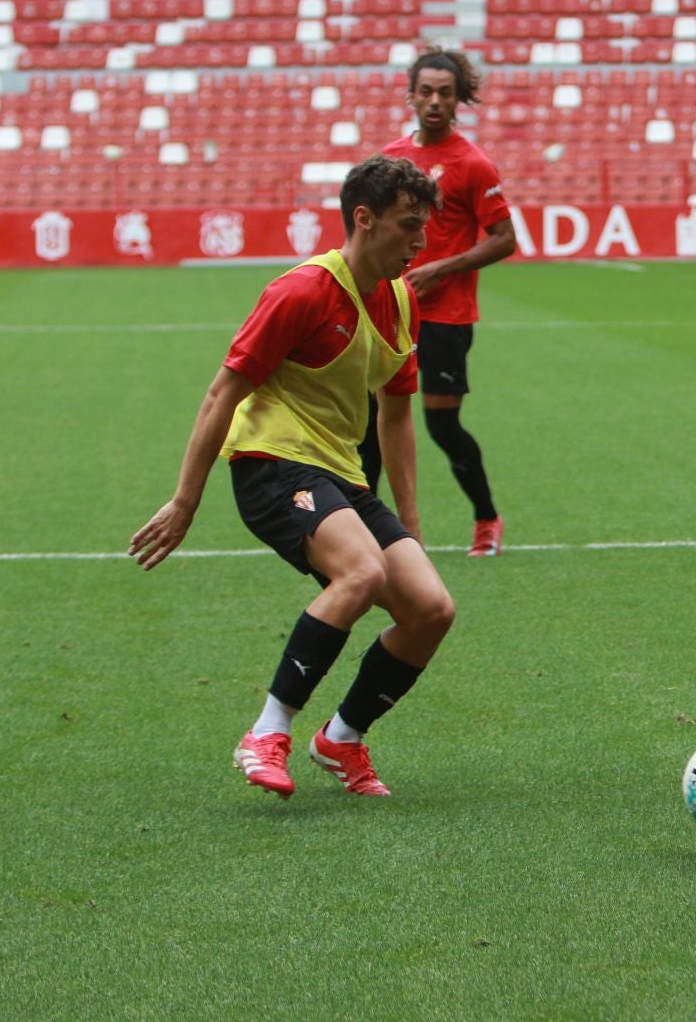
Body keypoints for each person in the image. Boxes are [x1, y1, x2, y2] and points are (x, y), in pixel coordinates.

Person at [129, 156, 456, 799]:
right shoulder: (302, 291)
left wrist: (410, 525)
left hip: (340, 471)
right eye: (408, 227)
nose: (421, 244)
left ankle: (341, 737)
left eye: (425, 229)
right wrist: (185, 502)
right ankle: (267, 731)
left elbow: (396, 414)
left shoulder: (398, 301)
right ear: (363, 220)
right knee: (359, 572)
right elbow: (222, 393)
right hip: (270, 462)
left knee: (430, 609)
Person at [358, 46, 516, 557]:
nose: (434, 101)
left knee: (442, 426)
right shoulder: (390, 159)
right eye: (425, 91)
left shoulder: (472, 163)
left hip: (446, 316)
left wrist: (440, 269)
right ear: (411, 95)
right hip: (389, 310)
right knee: (370, 421)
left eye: (444, 94)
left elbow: (504, 238)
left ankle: (487, 518)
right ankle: (367, 528)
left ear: (457, 100)